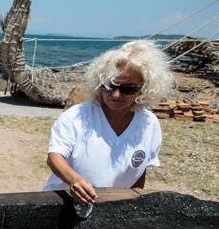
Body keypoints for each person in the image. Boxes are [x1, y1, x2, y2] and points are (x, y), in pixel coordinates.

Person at [43, 40, 175, 205]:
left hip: (112, 206)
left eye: (128, 88)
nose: (116, 95)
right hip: (65, 203)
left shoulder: (149, 124)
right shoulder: (76, 116)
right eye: (109, 85)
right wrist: (74, 180)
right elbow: (54, 157)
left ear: (144, 88)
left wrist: (135, 201)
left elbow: (140, 170)